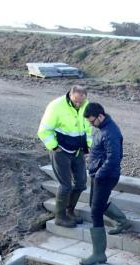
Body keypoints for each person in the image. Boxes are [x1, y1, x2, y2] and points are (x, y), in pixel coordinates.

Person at [80, 102, 132, 265]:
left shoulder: (111, 132)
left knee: (96, 210)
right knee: (94, 204)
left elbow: (114, 158)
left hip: (106, 176)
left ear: (100, 116)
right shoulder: (101, 128)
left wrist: (100, 173)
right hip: (99, 174)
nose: (91, 124)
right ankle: (123, 221)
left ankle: (99, 254)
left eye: (92, 121)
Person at [37, 85, 93, 228]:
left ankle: (70, 211)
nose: (78, 104)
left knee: (81, 183)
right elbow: (43, 130)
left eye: (81, 101)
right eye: (76, 101)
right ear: (70, 94)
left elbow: (88, 128)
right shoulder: (56, 106)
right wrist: (54, 147)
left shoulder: (86, 105)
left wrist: (88, 145)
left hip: (77, 151)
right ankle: (60, 217)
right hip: (60, 151)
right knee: (66, 185)